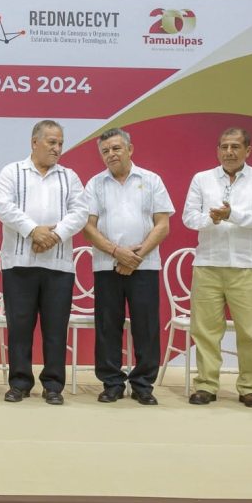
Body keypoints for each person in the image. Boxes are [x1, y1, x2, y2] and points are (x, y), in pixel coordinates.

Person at [0, 120, 87, 405]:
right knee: (19, 327)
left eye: (60, 143)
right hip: (19, 263)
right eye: (51, 142)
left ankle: (53, 384)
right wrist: (33, 230)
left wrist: (53, 235)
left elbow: (80, 212)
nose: (57, 148)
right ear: (35, 143)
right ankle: (19, 383)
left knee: (55, 328)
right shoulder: (12, 172)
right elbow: (2, 206)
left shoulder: (69, 177)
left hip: (58, 266)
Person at [182, 127, 252, 408]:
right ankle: (206, 385)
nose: (229, 152)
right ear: (217, 150)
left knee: (249, 332)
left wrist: (231, 214)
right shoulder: (202, 179)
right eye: (224, 147)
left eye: (235, 147)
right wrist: (214, 219)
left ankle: (250, 387)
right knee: (205, 330)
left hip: (246, 265)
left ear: (248, 151)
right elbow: (189, 217)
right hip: (209, 263)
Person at [81, 128, 173, 405]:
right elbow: (88, 228)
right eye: (105, 151)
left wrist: (136, 257)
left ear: (130, 150)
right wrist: (117, 252)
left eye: (116, 148)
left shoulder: (151, 180)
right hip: (106, 264)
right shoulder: (95, 184)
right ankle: (112, 383)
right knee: (108, 325)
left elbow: (163, 224)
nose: (111, 154)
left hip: (144, 266)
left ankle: (143, 384)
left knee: (146, 326)